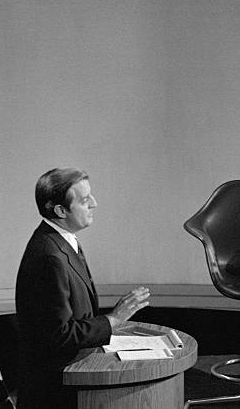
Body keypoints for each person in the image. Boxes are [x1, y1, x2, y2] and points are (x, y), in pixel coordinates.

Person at [15, 167, 151, 409]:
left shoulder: (61, 240)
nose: (95, 204)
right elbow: (59, 335)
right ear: (60, 210)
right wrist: (114, 319)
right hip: (58, 388)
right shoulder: (50, 256)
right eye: (85, 199)